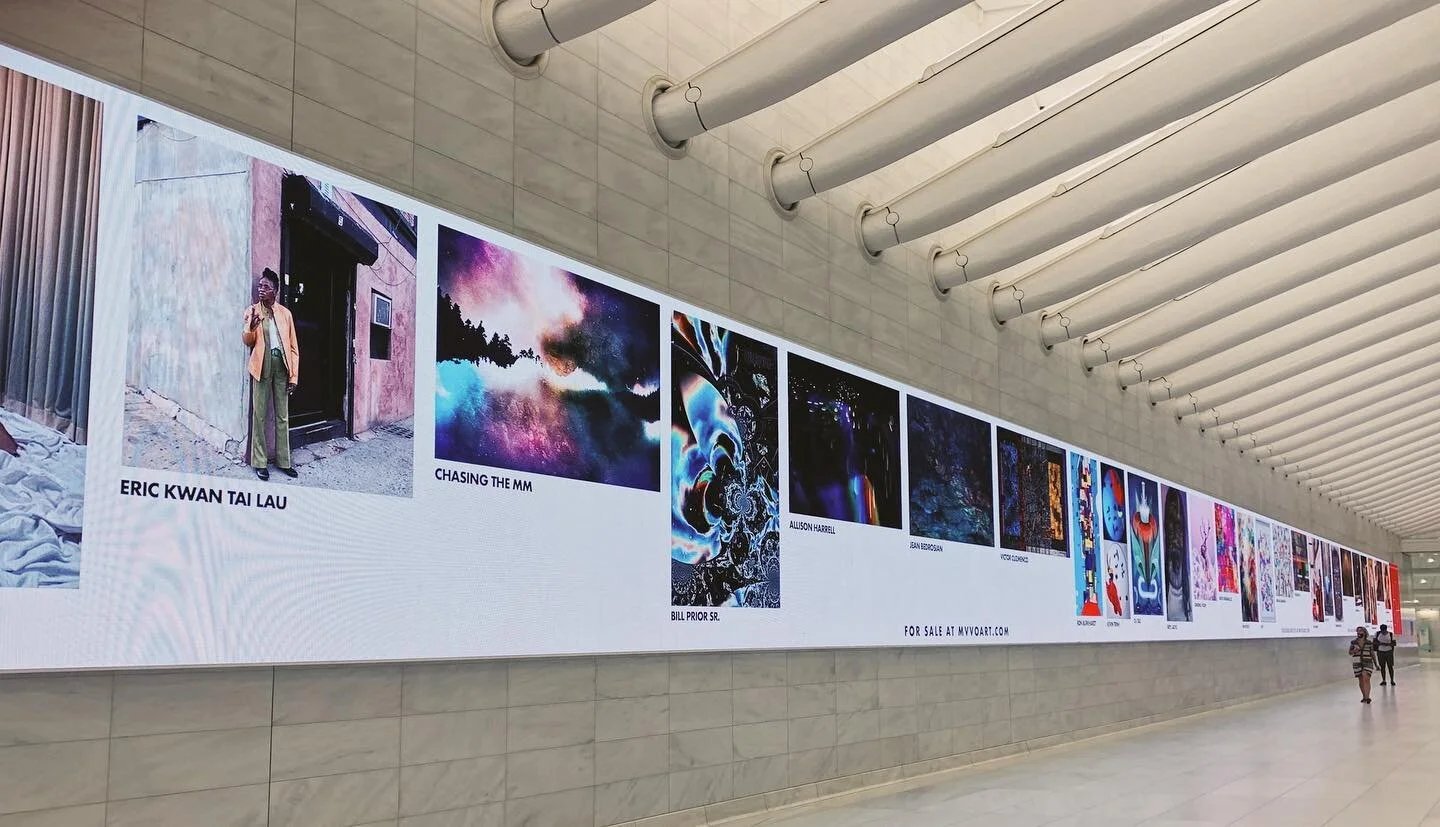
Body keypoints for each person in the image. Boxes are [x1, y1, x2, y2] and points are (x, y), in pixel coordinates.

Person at [242, 268, 300, 481]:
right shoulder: (252, 311)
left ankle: (284, 461)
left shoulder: (285, 314)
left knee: (282, 416)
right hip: (262, 366)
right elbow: (247, 341)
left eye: (266, 287)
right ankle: (260, 462)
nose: (261, 289)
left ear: (275, 290)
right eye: (260, 286)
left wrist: (293, 376)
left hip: (281, 367)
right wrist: (251, 327)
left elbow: (293, 347)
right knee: (259, 415)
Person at [1349, 625, 1375, 704]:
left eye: (1360, 631)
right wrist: (1354, 651)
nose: (1359, 632)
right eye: (1358, 631)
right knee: (1361, 680)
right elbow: (1350, 652)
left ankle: (1367, 697)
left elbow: (1372, 653)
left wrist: (1376, 663)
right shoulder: (1353, 642)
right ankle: (1364, 696)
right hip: (1357, 662)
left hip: (1368, 661)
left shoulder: (1369, 642)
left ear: (1364, 632)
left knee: (1366, 678)